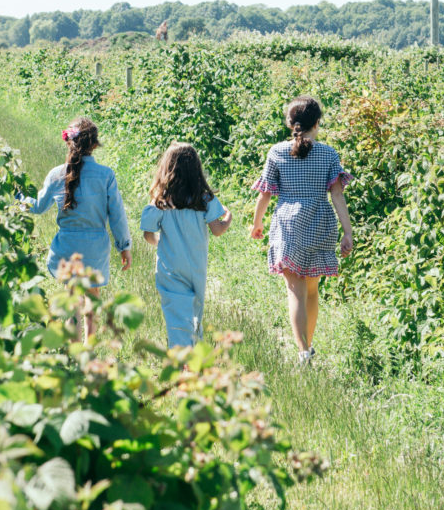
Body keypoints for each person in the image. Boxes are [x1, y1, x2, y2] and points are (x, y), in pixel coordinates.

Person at [250, 96, 354, 365]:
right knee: (311, 291)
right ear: (317, 123)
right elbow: (337, 196)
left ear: (289, 123)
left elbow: (265, 194)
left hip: (288, 226)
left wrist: (257, 223)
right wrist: (347, 232)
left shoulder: (276, 152)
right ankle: (308, 346)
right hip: (321, 224)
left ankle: (303, 352)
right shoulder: (329, 154)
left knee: (294, 290)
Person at [25, 117, 131, 338]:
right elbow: (117, 215)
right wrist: (124, 246)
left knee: (73, 296)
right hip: (95, 246)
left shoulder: (56, 174)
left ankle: (74, 345)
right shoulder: (106, 175)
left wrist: (17, 197)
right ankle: (89, 346)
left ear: (68, 142)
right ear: (94, 145)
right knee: (93, 295)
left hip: (68, 247)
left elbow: (37, 206)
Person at [140, 142, 232, 347]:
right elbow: (217, 230)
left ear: (166, 168)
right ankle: (194, 356)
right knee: (195, 312)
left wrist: (161, 243)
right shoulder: (204, 199)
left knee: (175, 314)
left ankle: (182, 359)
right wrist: (228, 218)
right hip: (196, 266)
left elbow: (148, 234)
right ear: (196, 170)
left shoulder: (161, 201)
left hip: (170, 266)